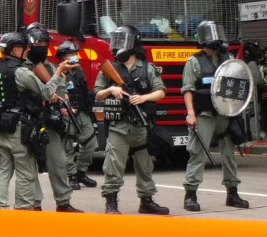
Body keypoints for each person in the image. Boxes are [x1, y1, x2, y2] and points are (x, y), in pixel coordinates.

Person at [0, 32, 75, 211]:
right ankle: (23, 210)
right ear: (14, 49)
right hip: (18, 127)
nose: (27, 50)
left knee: (2, 173)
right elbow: (46, 92)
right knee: (25, 172)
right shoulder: (20, 72)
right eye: (23, 47)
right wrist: (58, 72)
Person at [94, 26, 169, 215]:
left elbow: (161, 91)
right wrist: (111, 90)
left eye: (122, 41)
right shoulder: (109, 69)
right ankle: (111, 202)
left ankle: (147, 200)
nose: (117, 46)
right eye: (116, 41)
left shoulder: (147, 68)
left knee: (145, 166)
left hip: (141, 126)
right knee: (113, 165)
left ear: (133, 44)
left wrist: (143, 98)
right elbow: (97, 94)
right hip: (119, 126)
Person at [181, 21, 250, 211]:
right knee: (198, 153)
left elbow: (239, 83)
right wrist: (191, 114)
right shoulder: (194, 62)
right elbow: (188, 90)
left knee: (229, 154)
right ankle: (191, 194)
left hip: (226, 113)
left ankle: (232, 192)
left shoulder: (228, 58)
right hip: (204, 114)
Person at [23, 24, 82, 213]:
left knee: (58, 162)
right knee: (30, 166)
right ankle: (35, 204)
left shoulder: (49, 67)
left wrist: (62, 102)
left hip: (49, 121)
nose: (42, 46)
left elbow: (62, 91)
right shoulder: (21, 68)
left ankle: (63, 202)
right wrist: (45, 96)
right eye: (38, 43)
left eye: (45, 43)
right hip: (29, 121)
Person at [56, 42, 97, 191]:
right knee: (67, 147)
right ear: (63, 57)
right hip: (66, 112)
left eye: (75, 53)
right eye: (71, 54)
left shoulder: (78, 70)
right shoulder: (59, 72)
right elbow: (57, 91)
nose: (75, 56)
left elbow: (83, 90)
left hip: (81, 110)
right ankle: (72, 176)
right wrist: (64, 106)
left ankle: (80, 172)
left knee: (91, 142)